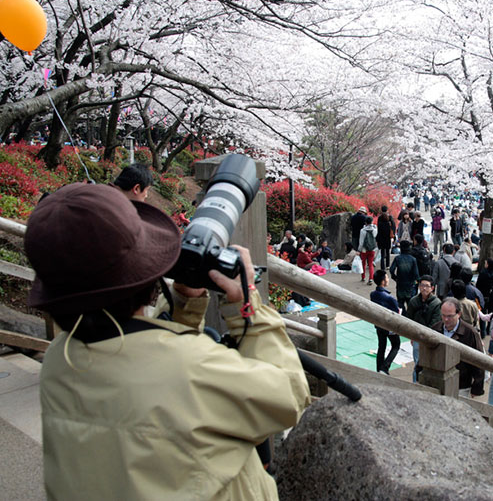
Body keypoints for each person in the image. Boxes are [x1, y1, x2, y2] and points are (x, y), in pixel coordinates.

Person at [25, 183, 310, 499]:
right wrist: (250, 307)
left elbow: (147, 357)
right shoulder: (190, 367)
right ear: (145, 273)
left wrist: (185, 300)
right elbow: (288, 395)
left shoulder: (58, 359)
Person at [432, 298, 485, 398]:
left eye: (450, 316)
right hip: (438, 382)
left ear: (459, 314)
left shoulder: (470, 333)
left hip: (461, 385)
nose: (446, 319)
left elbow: (479, 361)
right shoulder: (435, 329)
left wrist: (477, 387)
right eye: (443, 315)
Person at [406, 276, 441, 382]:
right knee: (417, 362)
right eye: (422, 285)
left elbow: (435, 323)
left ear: (432, 288)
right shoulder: (413, 301)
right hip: (417, 337)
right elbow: (409, 319)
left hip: (429, 338)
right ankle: (415, 382)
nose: (424, 288)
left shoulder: (436, 303)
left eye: (427, 286)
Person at [370, 270, 401, 375]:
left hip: (378, 325)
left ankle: (379, 369)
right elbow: (397, 312)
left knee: (381, 346)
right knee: (396, 345)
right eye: (387, 278)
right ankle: (385, 367)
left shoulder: (373, 294)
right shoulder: (390, 298)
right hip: (389, 326)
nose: (388, 280)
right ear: (383, 281)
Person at [389, 240, 419, 314]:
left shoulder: (397, 258)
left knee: (400, 304)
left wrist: (395, 278)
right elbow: (416, 274)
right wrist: (415, 283)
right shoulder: (413, 259)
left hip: (400, 284)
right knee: (410, 305)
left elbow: (391, 269)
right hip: (410, 285)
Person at [358, 216, 378, 285]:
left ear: (365, 222)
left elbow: (361, 241)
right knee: (370, 264)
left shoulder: (362, 230)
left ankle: (363, 277)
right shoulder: (375, 229)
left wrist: (359, 250)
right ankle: (371, 279)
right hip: (372, 249)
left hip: (364, 249)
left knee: (363, 263)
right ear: (372, 222)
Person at [376, 205, 396, 270]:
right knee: (387, 252)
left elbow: (378, 229)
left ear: (381, 210)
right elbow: (393, 227)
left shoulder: (380, 218)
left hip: (381, 238)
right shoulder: (389, 218)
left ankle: (382, 266)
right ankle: (388, 265)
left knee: (382, 253)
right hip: (387, 238)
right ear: (387, 210)